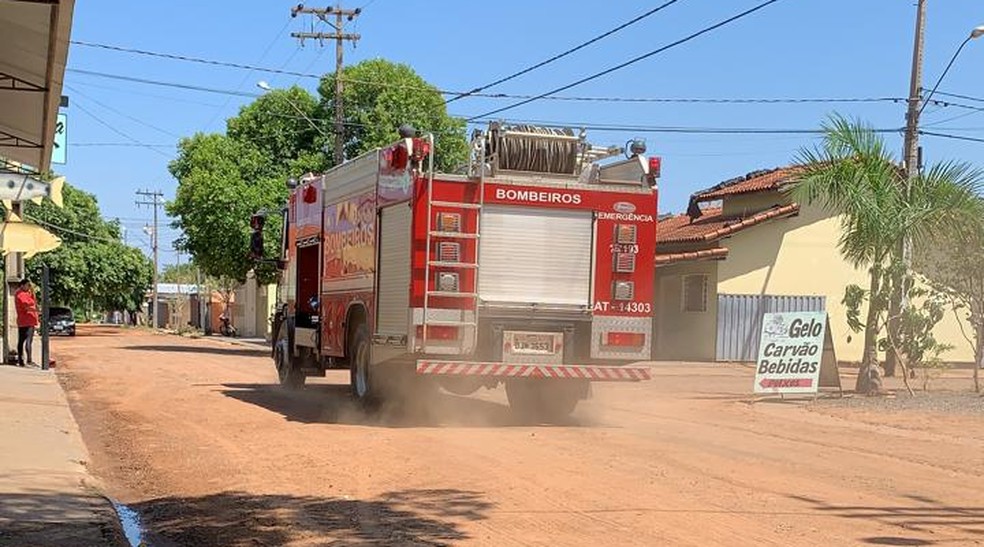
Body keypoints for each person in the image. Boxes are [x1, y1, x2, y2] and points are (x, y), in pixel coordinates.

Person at [14, 278, 39, 367]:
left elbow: (33, 301)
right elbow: (27, 306)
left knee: (22, 340)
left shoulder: (24, 293)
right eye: (28, 285)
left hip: (25, 320)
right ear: (22, 285)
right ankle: (28, 360)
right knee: (28, 340)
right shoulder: (21, 294)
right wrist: (37, 310)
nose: (29, 287)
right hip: (27, 320)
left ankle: (21, 360)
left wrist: (32, 291)